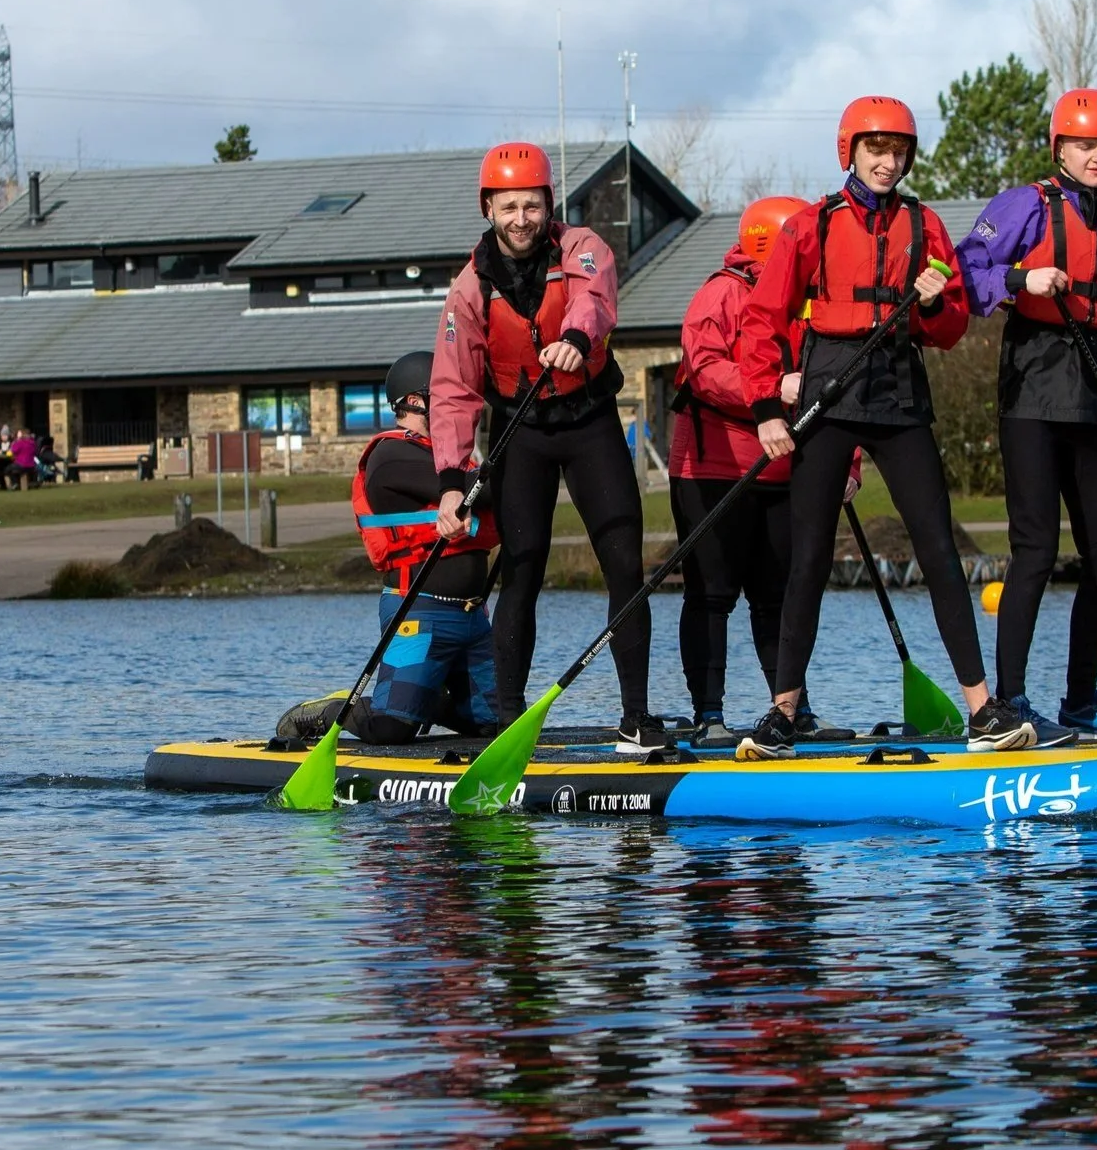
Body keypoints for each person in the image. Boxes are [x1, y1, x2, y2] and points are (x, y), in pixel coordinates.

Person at [734, 96, 1037, 757]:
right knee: (808, 557)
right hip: (829, 392)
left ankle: (983, 711)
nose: (887, 162)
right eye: (876, 150)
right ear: (851, 151)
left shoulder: (924, 225)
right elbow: (761, 320)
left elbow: (951, 326)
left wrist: (934, 305)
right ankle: (784, 713)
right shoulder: (811, 226)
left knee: (938, 550)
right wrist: (765, 409)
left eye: (898, 151)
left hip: (898, 394)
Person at [428, 141, 664, 753]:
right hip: (520, 430)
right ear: (488, 209)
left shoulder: (583, 248)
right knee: (523, 567)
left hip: (589, 421)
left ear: (547, 204)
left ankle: (636, 719)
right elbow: (453, 390)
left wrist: (577, 338)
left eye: (531, 205)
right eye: (508, 207)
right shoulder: (468, 290)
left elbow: (595, 297)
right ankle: (507, 726)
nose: (521, 219)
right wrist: (451, 482)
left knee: (624, 565)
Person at [957, 89, 1097, 743]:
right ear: (1060, 148)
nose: (1096, 157)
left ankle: (1081, 702)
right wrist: (1019, 280)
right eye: (1084, 145)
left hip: (1094, 396)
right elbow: (966, 266)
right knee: (1035, 549)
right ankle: (1008, 703)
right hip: (1033, 389)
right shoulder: (1026, 204)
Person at [667, 196, 854, 749]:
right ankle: (709, 714)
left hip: (786, 469)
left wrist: (851, 460)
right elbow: (705, 372)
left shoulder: (815, 301)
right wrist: (773, 387)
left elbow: (840, 386)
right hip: (713, 468)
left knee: (779, 596)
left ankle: (789, 709)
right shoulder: (720, 293)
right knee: (712, 594)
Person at [319, 350, 504, 743]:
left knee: (495, 723)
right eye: (446, 394)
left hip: (473, 616)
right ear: (416, 402)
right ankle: (332, 712)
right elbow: (479, 494)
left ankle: (427, 702)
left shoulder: (453, 457)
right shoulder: (391, 456)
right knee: (391, 730)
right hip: (418, 612)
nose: (456, 402)